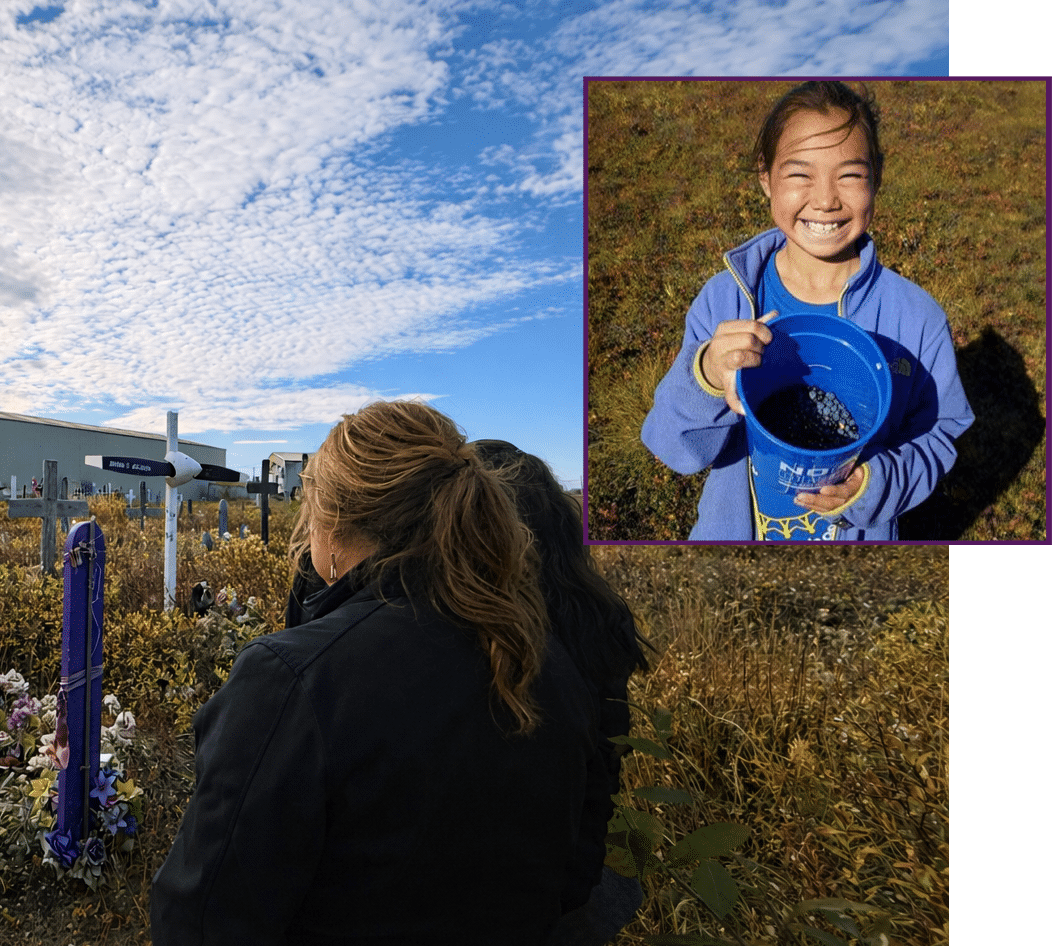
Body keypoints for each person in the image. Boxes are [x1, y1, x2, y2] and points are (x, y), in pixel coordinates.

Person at [150, 401, 603, 944]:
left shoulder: (292, 681)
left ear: (333, 522)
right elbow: (575, 876)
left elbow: (199, 921)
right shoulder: (539, 657)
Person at [640, 80, 974, 540]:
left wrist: (874, 485)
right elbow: (673, 448)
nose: (825, 199)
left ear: (876, 177)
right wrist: (708, 375)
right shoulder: (726, 302)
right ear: (766, 180)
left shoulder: (916, 320)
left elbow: (939, 433)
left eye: (850, 175)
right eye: (800, 174)